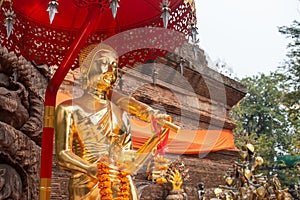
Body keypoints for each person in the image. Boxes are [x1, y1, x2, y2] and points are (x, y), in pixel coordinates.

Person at [55, 44, 177, 200]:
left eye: (114, 65)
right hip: (87, 184)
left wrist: (155, 137)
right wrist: (90, 168)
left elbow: (130, 162)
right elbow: (63, 155)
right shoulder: (69, 109)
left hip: (122, 185)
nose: (111, 70)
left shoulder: (121, 113)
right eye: (104, 63)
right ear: (85, 69)